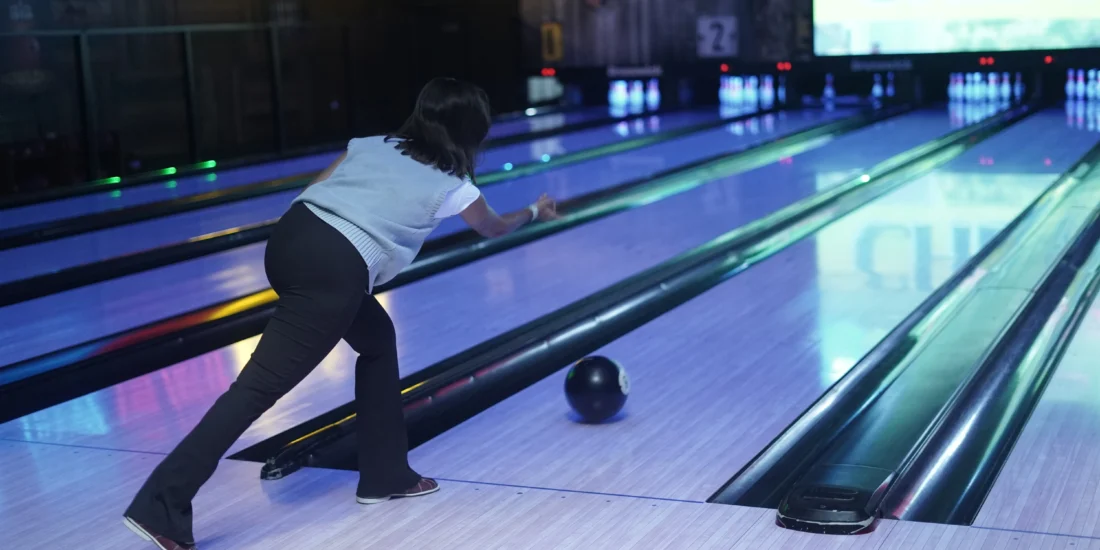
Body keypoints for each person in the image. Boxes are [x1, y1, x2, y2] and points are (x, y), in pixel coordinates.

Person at [122, 77, 560, 550]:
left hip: (291, 240)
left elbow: (317, 189)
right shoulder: (454, 186)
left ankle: (385, 475)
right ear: (472, 130)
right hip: (334, 270)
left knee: (377, 339)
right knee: (256, 389)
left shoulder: (373, 145)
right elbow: (493, 228)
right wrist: (533, 211)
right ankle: (161, 507)